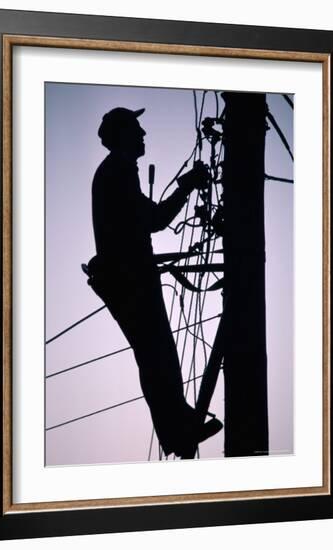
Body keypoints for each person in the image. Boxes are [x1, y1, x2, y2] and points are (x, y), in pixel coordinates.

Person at [86, 107, 222, 459]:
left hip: (128, 278)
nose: (143, 132)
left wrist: (183, 189)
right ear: (121, 135)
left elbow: (146, 222)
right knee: (157, 356)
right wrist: (187, 187)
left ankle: (178, 426)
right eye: (136, 127)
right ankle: (177, 430)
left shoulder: (116, 171)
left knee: (156, 356)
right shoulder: (117, 170)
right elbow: (155, 219)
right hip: (130, 281)